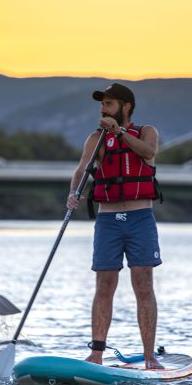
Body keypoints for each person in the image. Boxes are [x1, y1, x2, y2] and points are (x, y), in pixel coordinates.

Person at [66, 83, 164, 369]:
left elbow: (147, 153)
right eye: (102, 104)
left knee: (143, 286)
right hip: (107, 219)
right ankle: (96, 352)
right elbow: (82, 169)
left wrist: (119, 132)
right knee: (104, 285)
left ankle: (149, 356)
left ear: (126, 106)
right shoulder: (96, 138)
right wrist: (73, 193)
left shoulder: (146, 132)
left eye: (108, 104)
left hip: (140, 218)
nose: (102, 109)